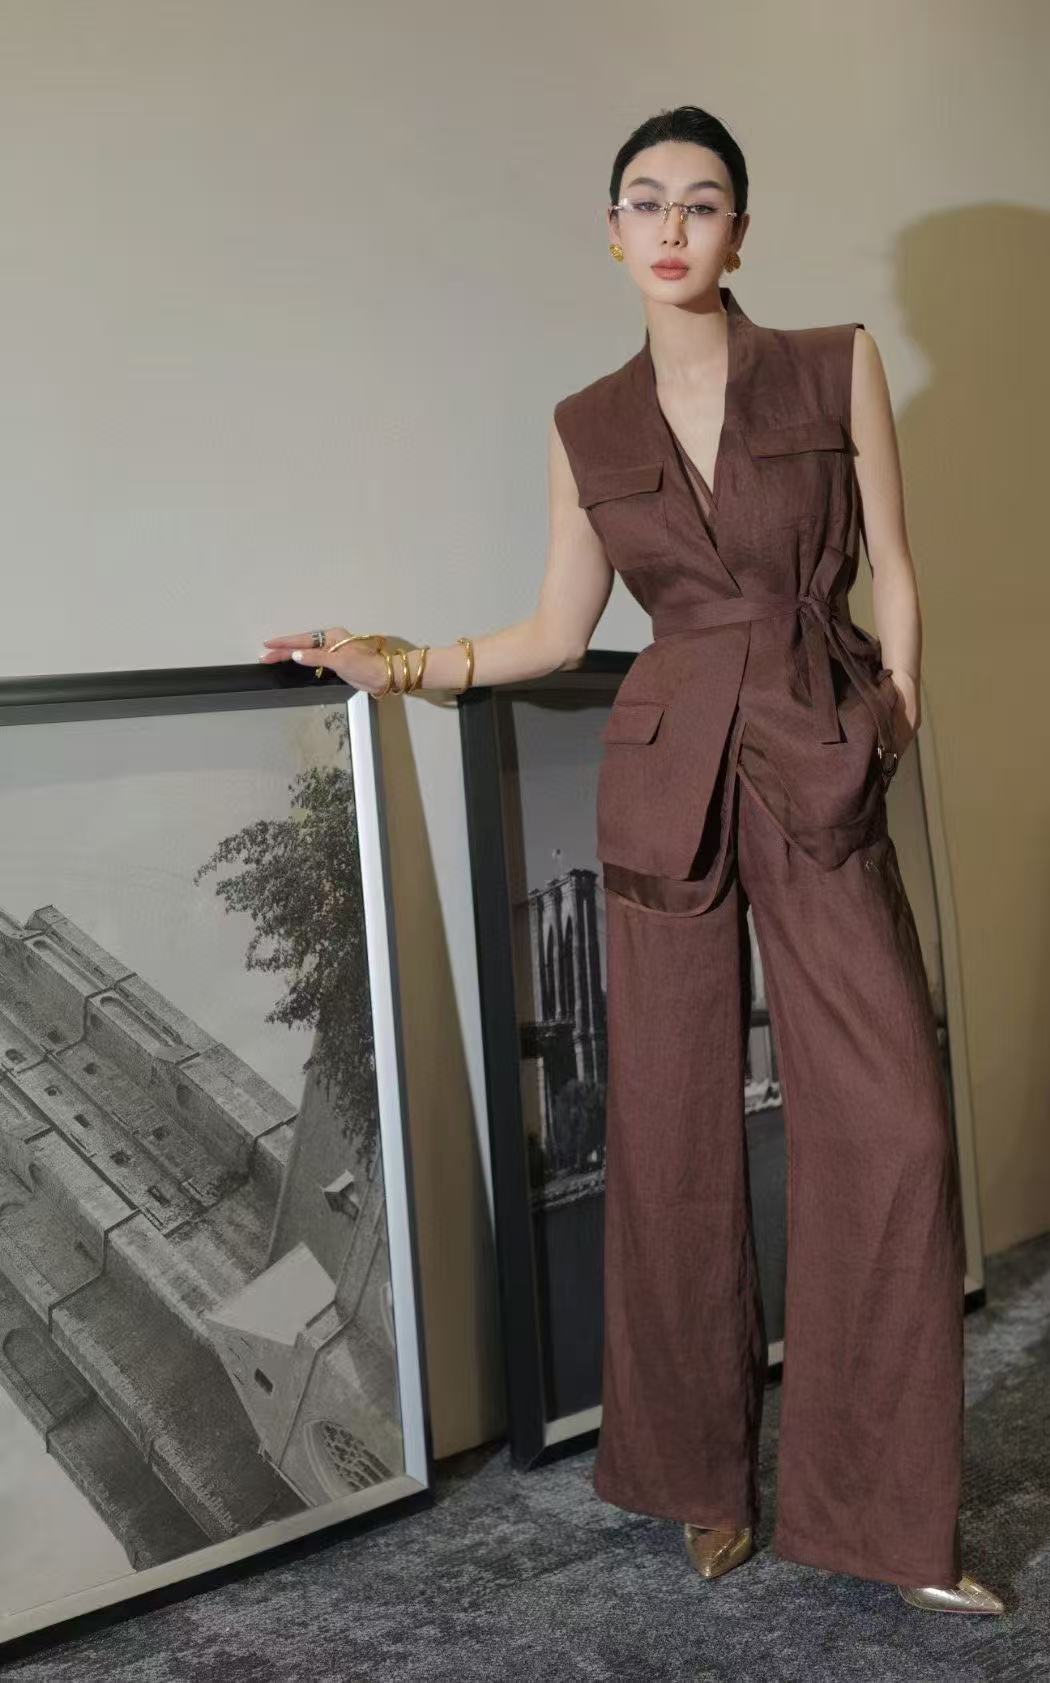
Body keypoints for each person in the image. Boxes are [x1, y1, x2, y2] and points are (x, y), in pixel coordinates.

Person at [259, 104, 1006, 1617]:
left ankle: (884, 1518)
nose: (673, 227)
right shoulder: (585, 425)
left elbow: (897, 565)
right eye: (646, 202)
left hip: (817, 748)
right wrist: (397, 660)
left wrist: (897, 714)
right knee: (668, 1140)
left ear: (742, 231)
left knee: (897, 1129)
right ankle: (702, 1484)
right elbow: (556, 629)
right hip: (666, 777)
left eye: (703, 202)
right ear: (611, 234)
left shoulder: (836, 363)